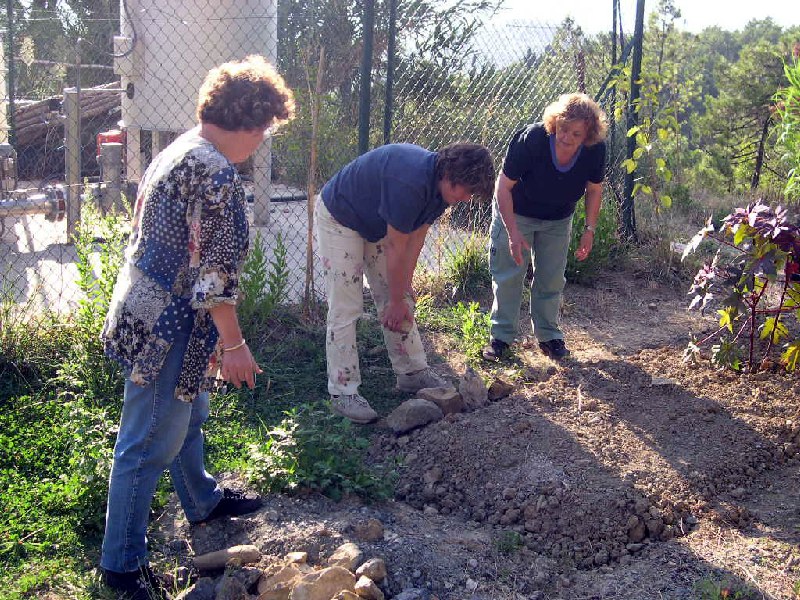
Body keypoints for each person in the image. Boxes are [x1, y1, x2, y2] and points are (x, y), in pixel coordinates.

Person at [99, 55, 294, 600]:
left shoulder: (181, 148)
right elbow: (214, 276)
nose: (262, 141)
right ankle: (121, 566)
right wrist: (233, 344)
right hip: (169, 328)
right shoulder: (216, 174)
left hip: (143, 308)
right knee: (146, 443)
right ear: (253, 124)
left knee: (188, 414)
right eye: (266, 129)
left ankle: (201, 500)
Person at [316, 142, 495, 423]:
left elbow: (416, 238)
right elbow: (395, 247)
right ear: (451, 175)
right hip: (340, 217)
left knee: (400, 295)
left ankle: (411, 372)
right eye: (467, 190)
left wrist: (404, 289)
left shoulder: (440, 191)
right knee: (346, 306)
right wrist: (395, 300)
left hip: (376, 224)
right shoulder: (410, 183)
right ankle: (343, 391)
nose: (466, 198)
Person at [482, 93, 607, 362]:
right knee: (509, 274)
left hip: (558, 219)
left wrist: (589, 229)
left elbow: (594, 190)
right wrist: (512, 232)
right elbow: (503, 187)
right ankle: (501, 337)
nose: (567, 137)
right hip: (517, 212)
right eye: (563, 129)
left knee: (551, 278)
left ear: (588, 135)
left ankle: (549, 336)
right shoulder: (532, 139)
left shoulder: (595, 150)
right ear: (555, 122)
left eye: (576, 133)